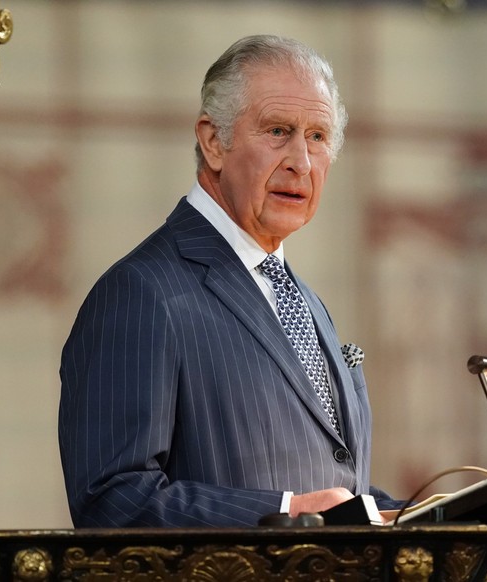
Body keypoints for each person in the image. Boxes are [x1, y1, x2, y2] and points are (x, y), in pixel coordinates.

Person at [59, 34, 400, 527]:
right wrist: (283, 513)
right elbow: (112, 499)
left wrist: (423, 515)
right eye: (279, 130)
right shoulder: (142, 294)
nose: (301, 162)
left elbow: (331, 482)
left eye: (318, 137)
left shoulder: (302, 298)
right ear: (214, 141)